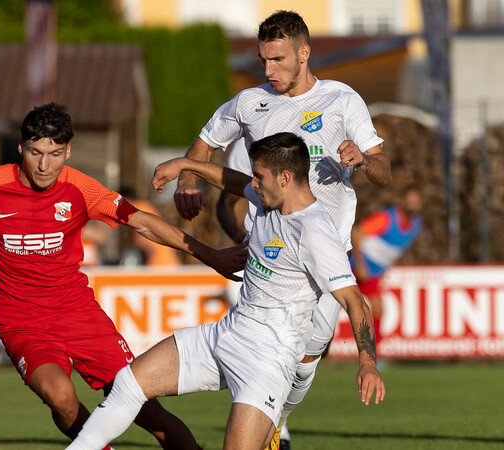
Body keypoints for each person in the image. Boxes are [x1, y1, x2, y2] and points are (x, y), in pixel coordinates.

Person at [0, 103, 246, 448]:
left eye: (55, 154)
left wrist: (210, 256)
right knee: (59, 396)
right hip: (21, 322)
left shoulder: (80, 188)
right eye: (36, 153)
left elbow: (141, 222)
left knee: (144, 409)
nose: (45, 165)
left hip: (80, 317)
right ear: (22, 148)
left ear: (67, 151)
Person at [67, 132, 385, 450]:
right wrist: (185, 164)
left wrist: (368, 363)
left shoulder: (316, 232)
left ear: (285, 178)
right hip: (226, 334)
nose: (253, 186)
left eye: (259, 178)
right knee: (129, 383)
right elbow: (232, 180)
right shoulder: (268, 197)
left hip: (267, 362)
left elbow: (355, 302)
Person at [176, 10, 393, 448]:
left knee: (308, 357)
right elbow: (206, 143)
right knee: (267, 351)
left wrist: (364, 160)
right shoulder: (250, 106)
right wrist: (187, 178)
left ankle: (277, 420)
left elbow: (384, 171)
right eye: (263, 61)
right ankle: (260, 420)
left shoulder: (342, 101)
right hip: (272, 257)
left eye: (277, 60)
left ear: (304, 53)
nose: (268, 70)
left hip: (326, 253)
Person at [351, 187, 423, 350]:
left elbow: (391, 249)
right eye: (409, 200)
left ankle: (373, 353)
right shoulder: (387, 218)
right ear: (402, 201)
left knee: (378, 309)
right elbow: (356, 233)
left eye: (416, 201)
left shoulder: (416, 225)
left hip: (373, 273)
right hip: (354, 266)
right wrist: (361, 265)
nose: (412, 204)